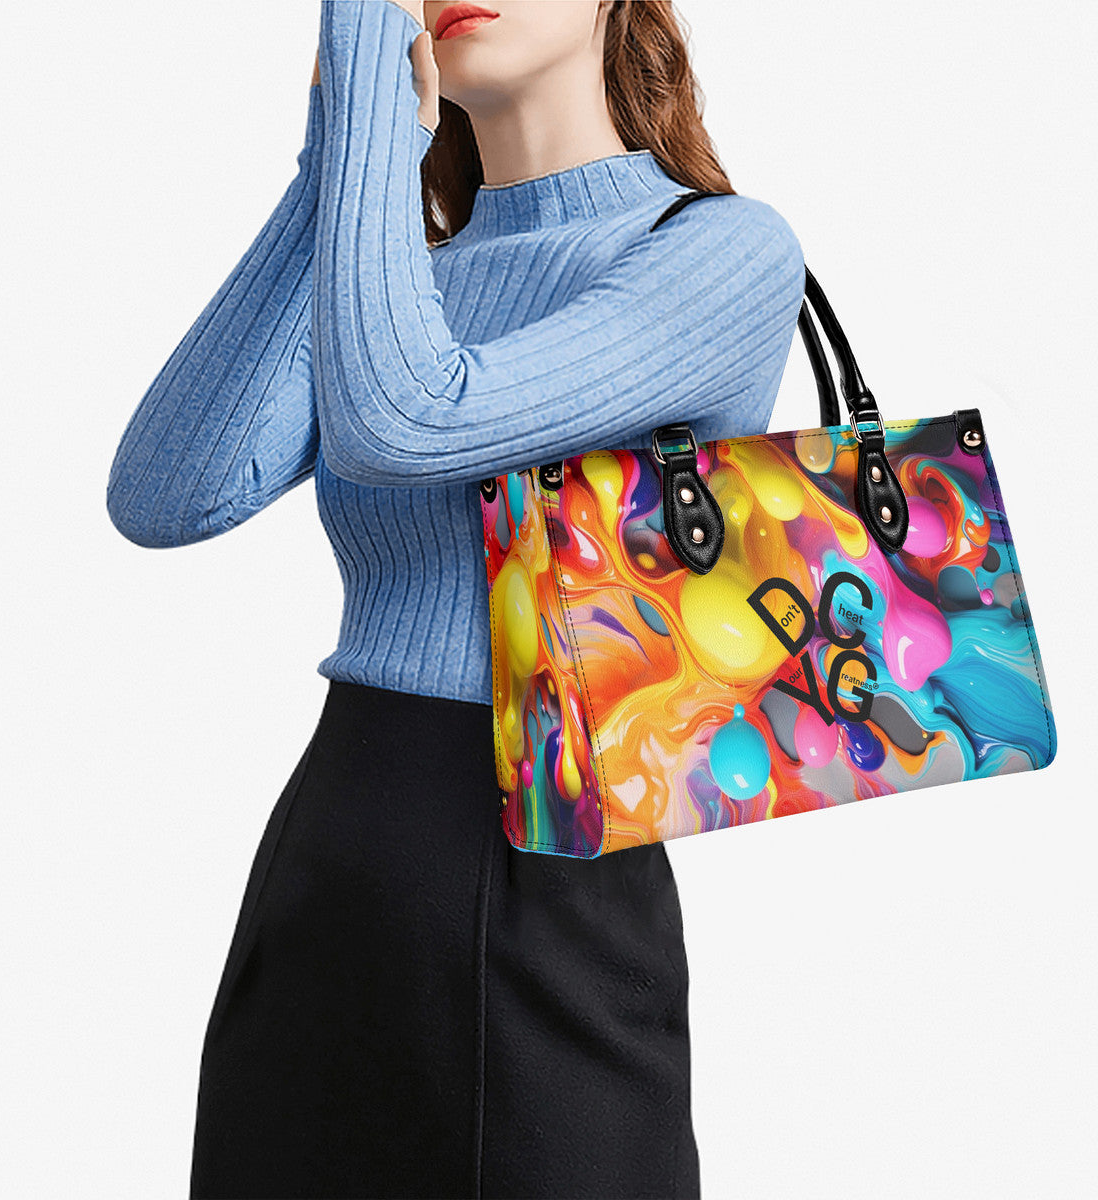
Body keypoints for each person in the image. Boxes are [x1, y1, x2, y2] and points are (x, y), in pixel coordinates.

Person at [106, 1, 806, 1195]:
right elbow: (169, 491)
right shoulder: (400, 285)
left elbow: (409, 418)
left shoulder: (719, 250)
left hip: (553, 869)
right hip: (337, 847)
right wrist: (338, 157)